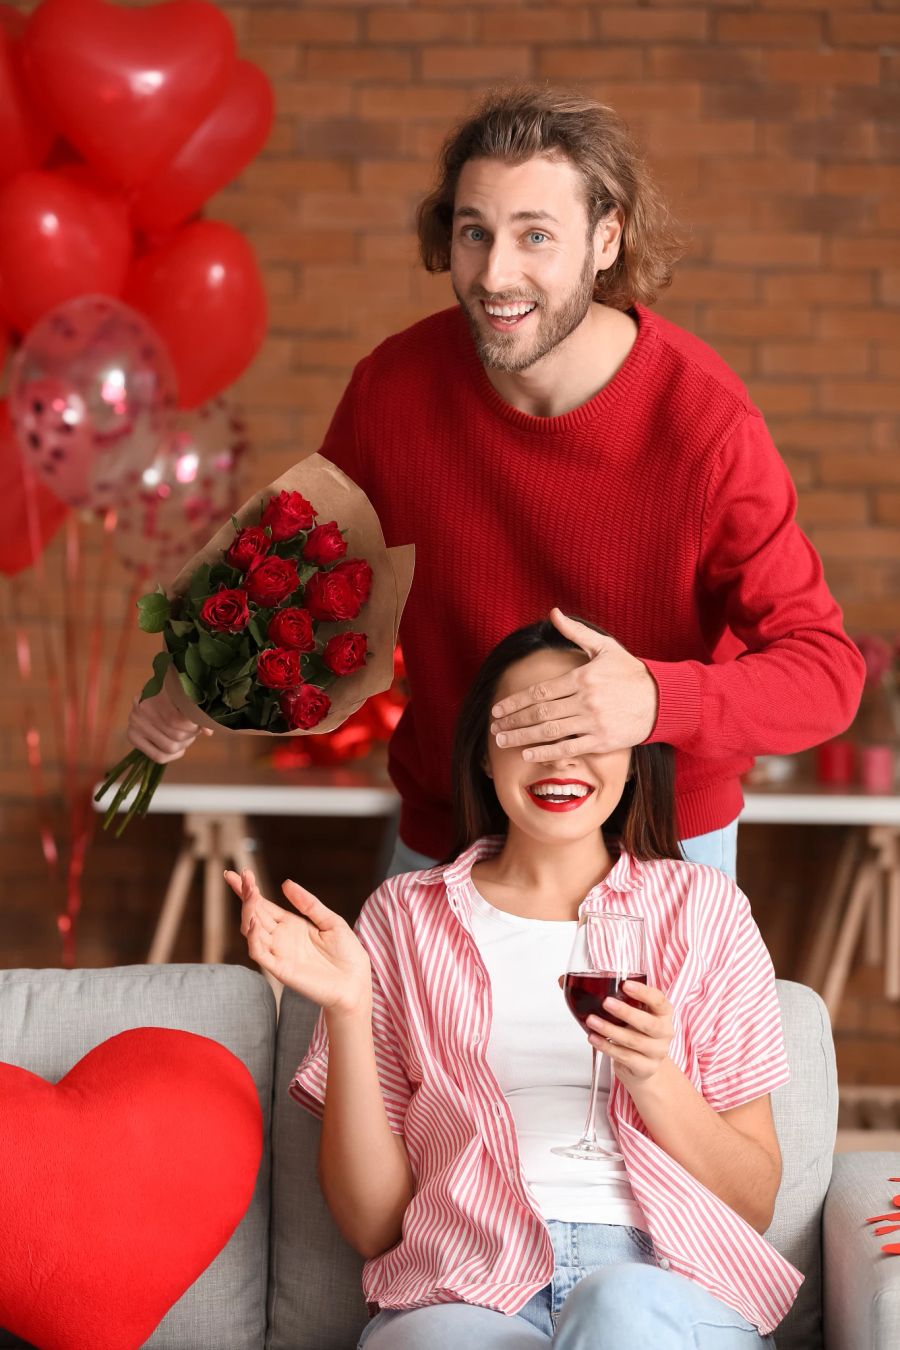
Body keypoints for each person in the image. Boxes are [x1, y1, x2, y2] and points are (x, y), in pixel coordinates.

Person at [132, 84, 865, 883]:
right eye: (474, 232)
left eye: (536, 235)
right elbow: (305, 576)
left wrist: (658, 701)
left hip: (658, 847)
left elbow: (825, 672)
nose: (495, 274)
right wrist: (192, 687)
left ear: (607, 239)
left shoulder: (706, 425)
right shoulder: (394, 388)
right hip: (451, 835)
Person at [224, 617, 800, 1348]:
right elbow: (374, 1226)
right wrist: (346, 1007)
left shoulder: (704, 911)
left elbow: (753, 1201)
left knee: (619, 1312)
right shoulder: (406, 918)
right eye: (529, 730)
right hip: (467, 1283)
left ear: (631, 755)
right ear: (485, 759)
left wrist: (654, 1075)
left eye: (583, 730)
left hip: (666, 1279)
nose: (559, 760)